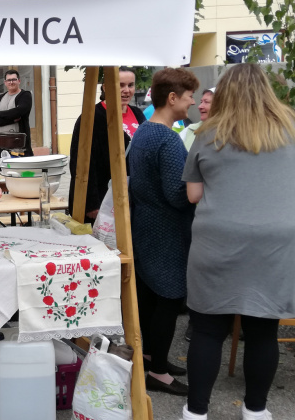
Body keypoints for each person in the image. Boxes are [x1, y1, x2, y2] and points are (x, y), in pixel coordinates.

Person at [174, 63, 295, 420]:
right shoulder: (291, 128)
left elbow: (193, 194)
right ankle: (254, 413)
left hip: (219, 238)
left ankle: (195, 418)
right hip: (275, 241)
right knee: (262, 329)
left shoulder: (207, 133)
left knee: (207, 329)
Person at [128, 68, 199, 397]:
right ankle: (157, 372)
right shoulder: (168, 139)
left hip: (144, 224)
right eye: (188, 97)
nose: (193, 102)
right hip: (166, 230)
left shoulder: (143, 131)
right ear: (172, 98)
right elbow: (177, 193)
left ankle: (150, 358)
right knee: (168, 299)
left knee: (150, 297)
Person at [68, 67, 145, 222]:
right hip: (103, 200)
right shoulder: (91, 117)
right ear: (105, 87)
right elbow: (81, 163)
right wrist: (91, 205)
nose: (126, 90)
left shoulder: (137, 114)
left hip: (133, 199)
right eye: (120, 85)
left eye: (130, 85)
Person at [0, 69, 33, 167]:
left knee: (19, 170)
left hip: (18, 144)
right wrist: (11, 119)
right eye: (8, 80)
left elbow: (20, 111)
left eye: (14, 79)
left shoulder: (25, 95)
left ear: (19, 81)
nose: (11, 82)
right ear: (5, 82)